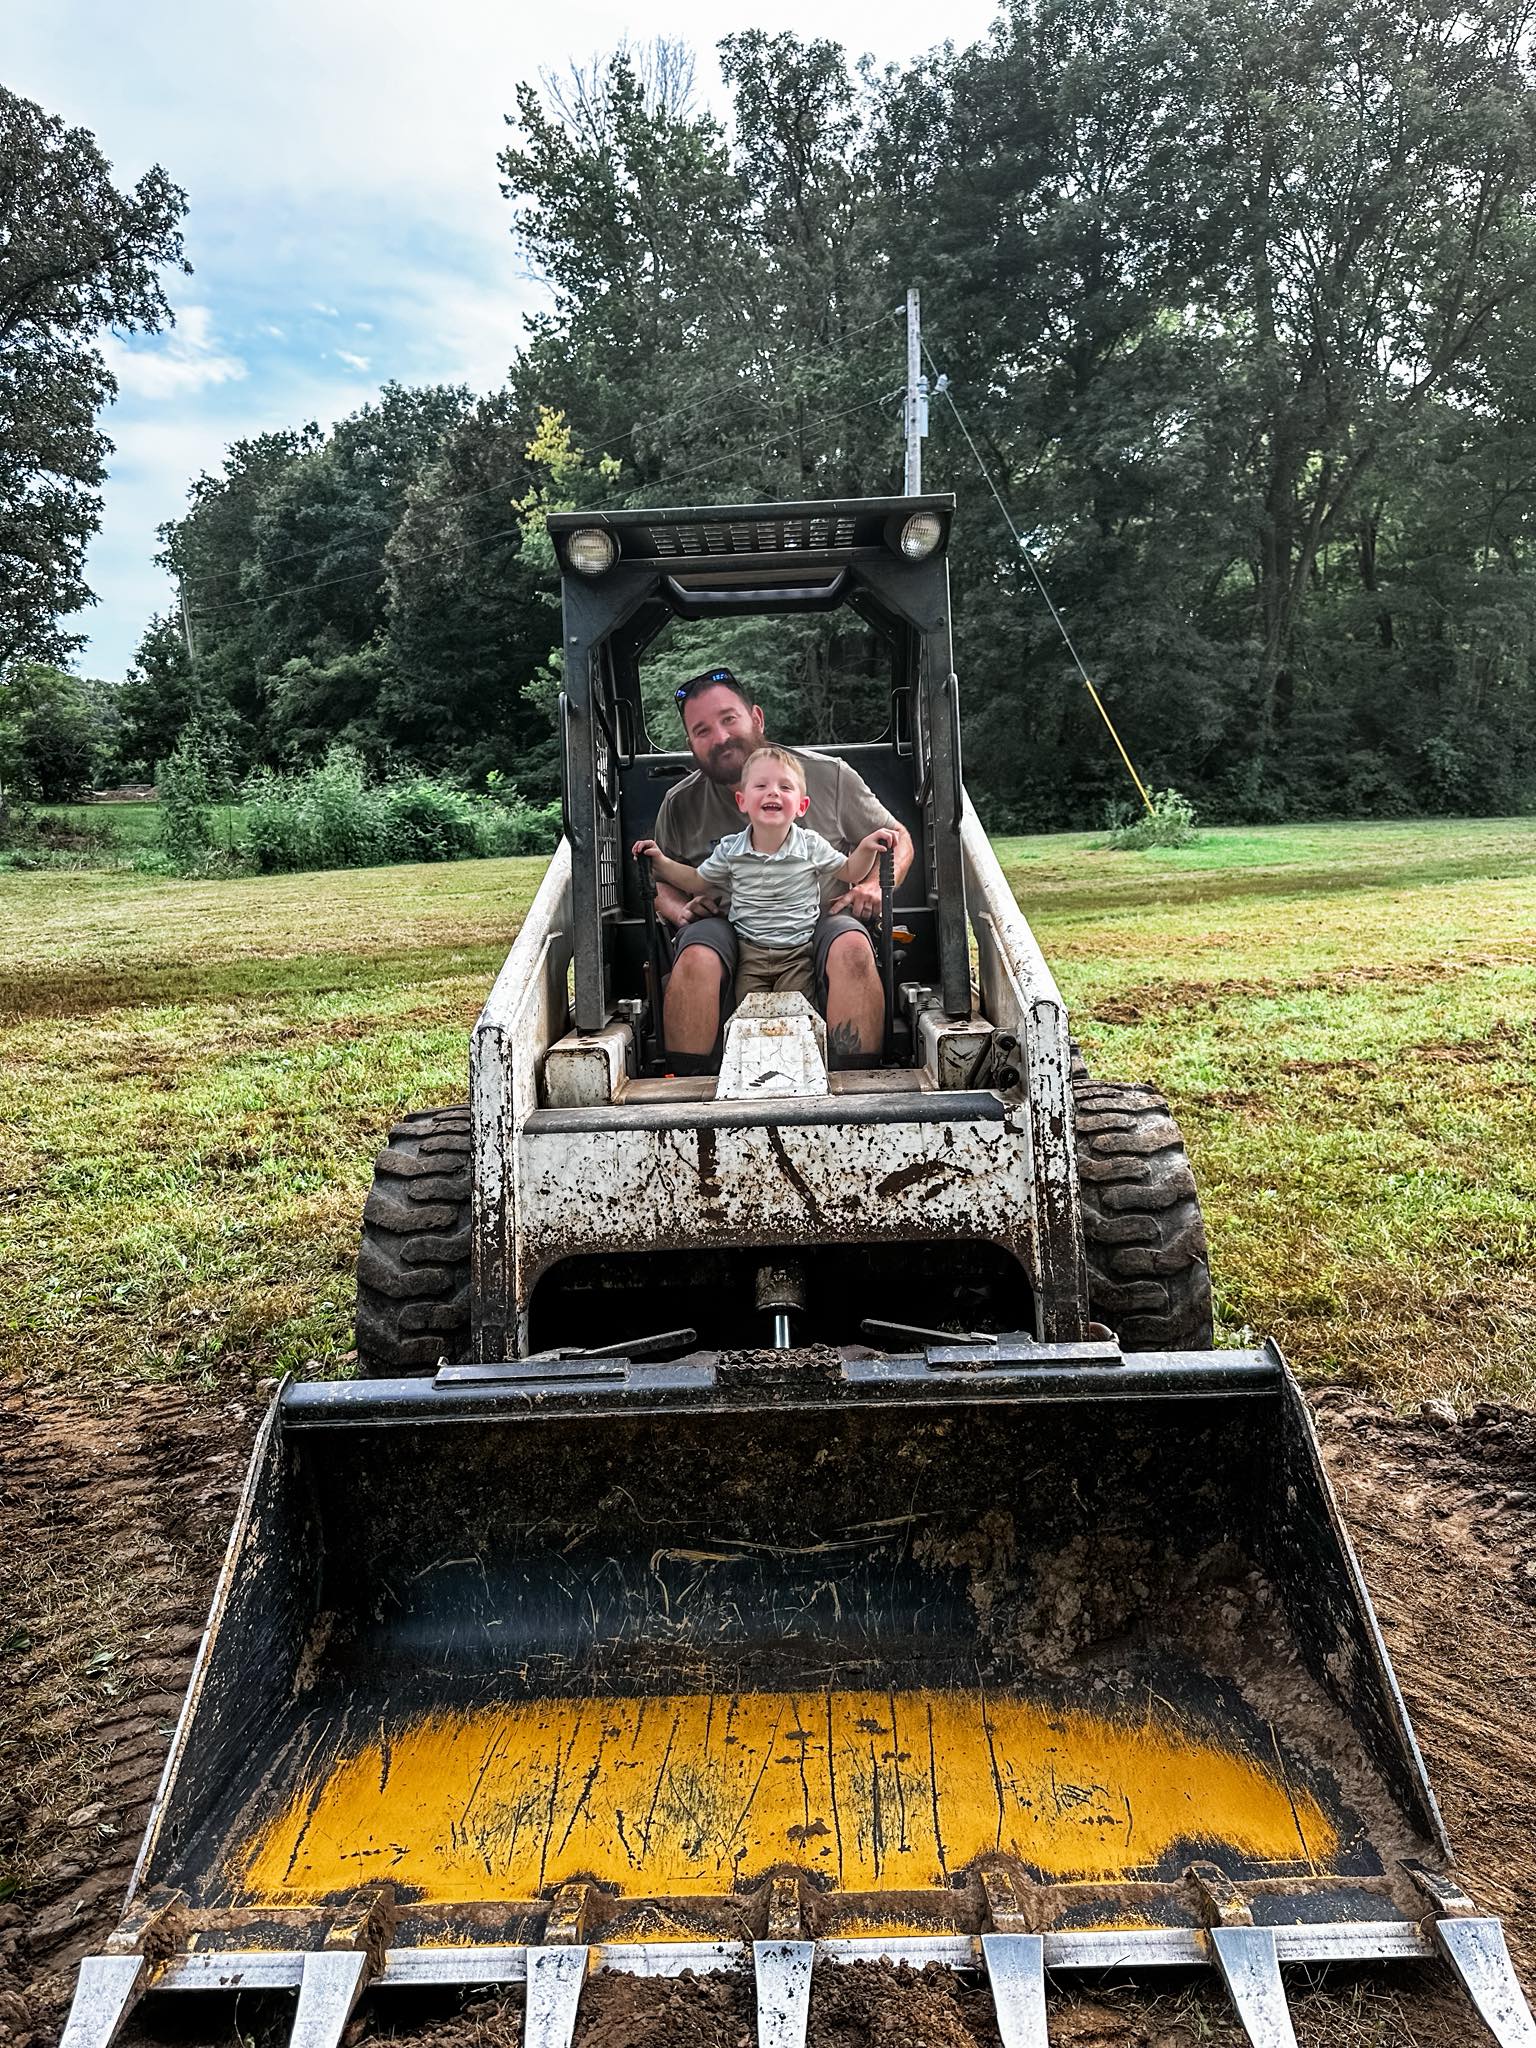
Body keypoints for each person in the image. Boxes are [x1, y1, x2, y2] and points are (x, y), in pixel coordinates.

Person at [648, 667, 915, 1070]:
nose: (719, 738)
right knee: (697, 952)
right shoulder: (680, 803)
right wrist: (677, 910)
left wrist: (878, 887)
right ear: (690, 743)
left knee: (853, 948)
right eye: (702, 731)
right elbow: (660, 881)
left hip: (821, 920)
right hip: (728, 929)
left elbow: (898, 837)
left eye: (728, 719)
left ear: (756, 718)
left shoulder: (829, 777)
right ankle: (691, 1088)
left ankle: (857, 1081)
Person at [634, 745, 897, 1006]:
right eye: (761, 786)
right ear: (742, 801)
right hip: (748, 953)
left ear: (802, 806)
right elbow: (695, 880)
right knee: (748, 1016)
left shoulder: (811, 845)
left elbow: (851, 870)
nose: (773, 792)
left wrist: (866, 848)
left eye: (785, 787)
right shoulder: (730, 849)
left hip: (798, 953)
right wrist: (661, 861)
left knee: (795, 1016)